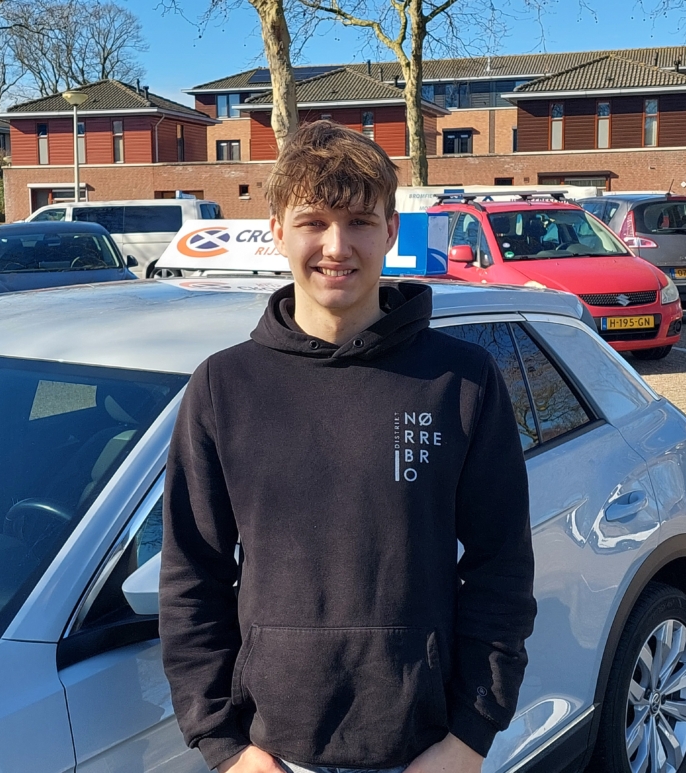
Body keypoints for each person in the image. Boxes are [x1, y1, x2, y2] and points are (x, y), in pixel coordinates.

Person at [159, 120, 536, 773]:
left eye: (359, 221)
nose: (337, 247)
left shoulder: (462, 380)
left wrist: (472, 734)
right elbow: (192, 576)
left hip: (425, 749)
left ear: (391, 230)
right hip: (274, 754)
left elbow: (501, 569)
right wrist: (223, 745)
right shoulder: (223, 386)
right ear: (277, 231)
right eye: (314, 222)